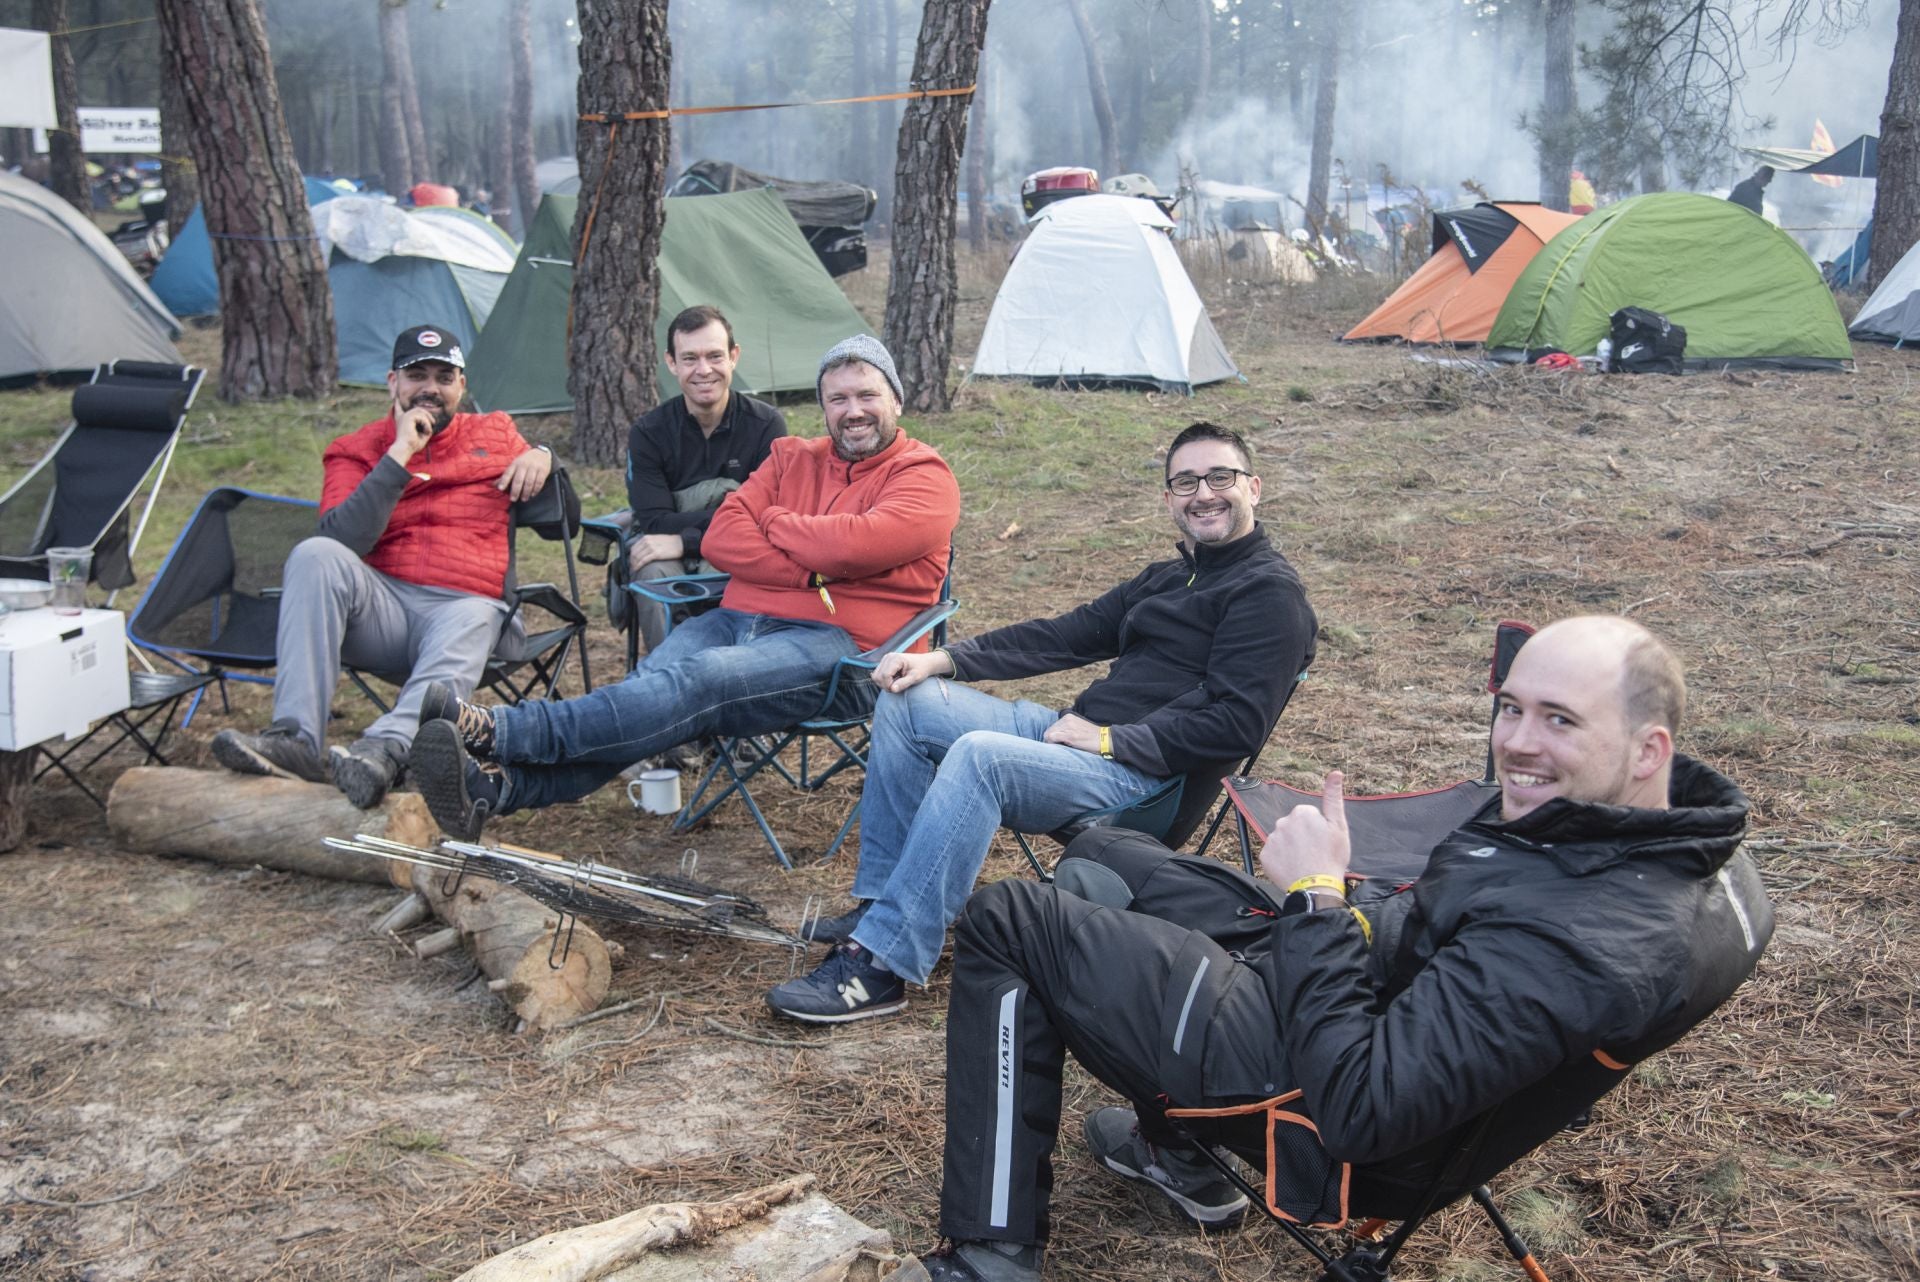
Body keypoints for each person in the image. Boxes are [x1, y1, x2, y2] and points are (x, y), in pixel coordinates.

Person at [916, 615, 1774, 1281]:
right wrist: (1344, 906)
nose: (1515, 742)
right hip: (1364, 984)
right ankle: (1177, 1154)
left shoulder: (1582, 938)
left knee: (1011, 920)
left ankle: (990, 1251)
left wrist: (1318, 901)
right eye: (1511, 707)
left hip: (1319, 1093)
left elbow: (1362, 1113)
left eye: (1559, 720)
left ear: (1648, 749)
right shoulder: (1689, 854)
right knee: (1106, 850)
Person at [764, 422, 1317, 1025]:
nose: (1203, 493)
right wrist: (943, 659)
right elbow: (1067, 634)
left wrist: (1110, 740)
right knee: (908, 700)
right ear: (1168, 497)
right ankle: (884, 905)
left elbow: (1237, 725)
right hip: (1073, 739)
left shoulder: (1269, 595)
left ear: (1253, 488)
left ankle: (883, 965)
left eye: (1220, 477)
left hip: (1145, 782)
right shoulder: (1171, 575)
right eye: (1186, 481)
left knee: (981, 757)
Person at [408, 334, 960, 839]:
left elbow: (851, 547)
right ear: (823, 408)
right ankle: (499, 790)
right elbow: (722, 534)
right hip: (739, 619)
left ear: (897, 400)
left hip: (850, 656)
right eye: (837, 399)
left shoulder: (924, 477)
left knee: (693, 682)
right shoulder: (792, 457)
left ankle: (499, 730)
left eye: (867, 395)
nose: (853, 411)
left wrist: (775, 523)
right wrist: (806, 569)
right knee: (651, 691)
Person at [210, 324, 552, 809]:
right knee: (315, 555)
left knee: (477, 614)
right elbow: (345, 539)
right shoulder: (355, 449)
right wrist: (398, 456)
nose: (430, 387)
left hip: (465, 609)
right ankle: (296, 740)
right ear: (393, 382)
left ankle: (387, 748)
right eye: (417, 375)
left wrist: (545, 456)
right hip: (381, 612)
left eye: (443, 375)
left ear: (462, 385)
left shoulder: (494, 432)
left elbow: (568, 519)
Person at [622, 305, 788, 656]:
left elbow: (766, 515)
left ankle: (736, 676)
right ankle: (667, 681)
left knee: (739, 563)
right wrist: (728, 516)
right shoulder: (648, 434)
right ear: (671, 363)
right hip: (669, 554)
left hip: (737, 549)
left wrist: (685, 541)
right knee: (651, 569)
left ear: (734, 357)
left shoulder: (766, 426)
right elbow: (653, 521)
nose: (704, 370)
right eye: (690, 358)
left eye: (715, 356)